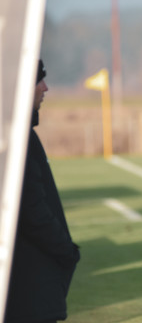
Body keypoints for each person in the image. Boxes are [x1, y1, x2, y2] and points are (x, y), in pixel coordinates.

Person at [5, 60, 80, 323]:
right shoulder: (16, 139)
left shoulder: (21, 134)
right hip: (29, 290)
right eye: (39, 80)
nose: (45, 87)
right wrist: (66, 250)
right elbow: (32, 210)